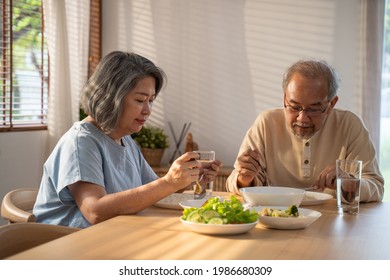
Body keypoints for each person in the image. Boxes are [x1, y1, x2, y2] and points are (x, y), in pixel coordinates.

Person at [33, 51, 222, 228]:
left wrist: (186, 178)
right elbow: (95, 211)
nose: (147, 110)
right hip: (69, 245)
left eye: (151, 100)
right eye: (140, 100)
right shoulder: (81, 142)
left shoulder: (124, 139)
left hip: (112, 236)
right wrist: (168, 182)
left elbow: (153, 192)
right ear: (110, 98)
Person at [226, 59, 384, 202]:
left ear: (331, 104)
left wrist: (349, 182)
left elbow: (376, 187)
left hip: (332, 224)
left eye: (313, 109)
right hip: (275, 217)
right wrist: (244, 179)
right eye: (294, 107)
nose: (302, 118)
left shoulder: (349, 125)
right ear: (284, 99)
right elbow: (235, 180)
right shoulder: (266, 123)